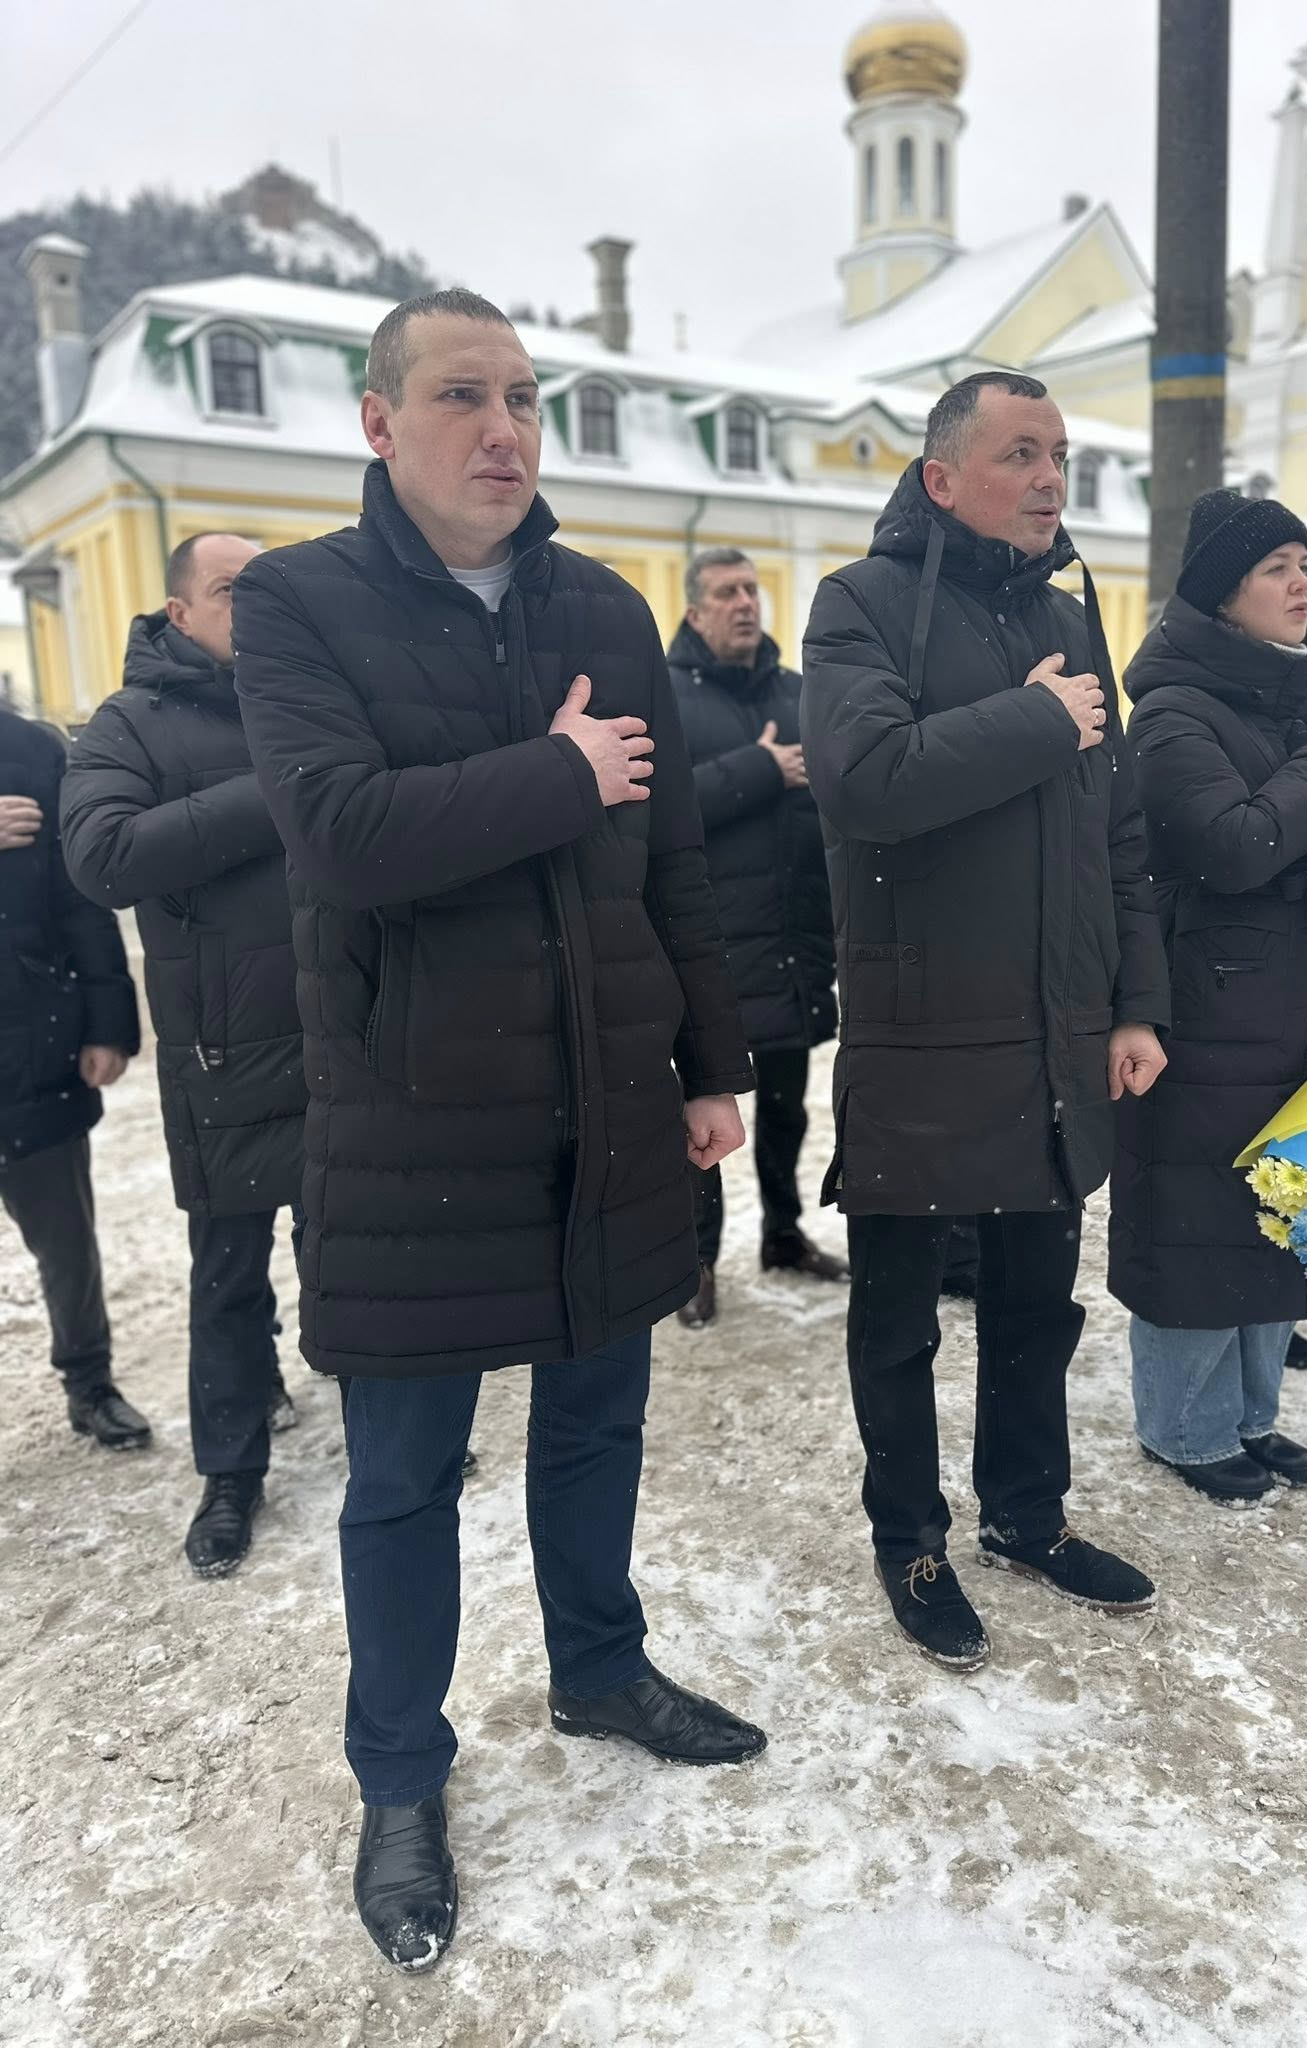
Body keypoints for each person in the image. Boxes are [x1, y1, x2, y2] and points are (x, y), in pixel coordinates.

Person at [231, 288, 766, 1972]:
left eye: (525, 397)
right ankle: (401, 1776)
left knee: (598, 1420)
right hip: (411, 1121)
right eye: (463, 394)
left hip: (605, 1100)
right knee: (402, 1480)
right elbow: (337, 835)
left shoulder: (602, 603)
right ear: (379, 424)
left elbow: (673, 859)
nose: (505, 428)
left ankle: (599, 1667)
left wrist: (709, 1061)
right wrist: (554, 772)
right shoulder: (301, 603)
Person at [801, 370, 1170, 1674]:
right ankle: (910, 1539)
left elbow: (1119, 838)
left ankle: (1027, 1512)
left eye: (1058, 453)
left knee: (1033, 1305)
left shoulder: (1071, 615)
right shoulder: (858, 605)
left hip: (1056, 1032)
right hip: (919, 1032)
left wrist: (1135, 1002)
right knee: (900, 1320)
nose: (1050, 476)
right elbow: (864, 780)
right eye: (1019, 453)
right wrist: (1037, 718)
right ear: (943, 478)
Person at [1111, 489, 1307, 1502]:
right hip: (1207, 1012)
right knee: (1198, 1222)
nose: (1305, 586)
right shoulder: (1171, 711)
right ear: (1222, 595)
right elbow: (1234, 846)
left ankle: (1250, 1416)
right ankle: (1185, 1429)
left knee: (1280, 1218)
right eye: (1276, 569)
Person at [61, 535, 308, 1576]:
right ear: (179, 611)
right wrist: (274, 793)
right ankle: (231, 1474)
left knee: (351, 1252)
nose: (253, 604)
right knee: (229, 1275)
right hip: (223, 1049)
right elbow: (102, 855)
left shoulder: (307, 696)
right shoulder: (129, 721)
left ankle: (388, 1423)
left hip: (336, 1031)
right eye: (230, 589)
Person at [666, 547, 844, 1327]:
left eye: (751, 590)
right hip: (707, 952)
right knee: (702, 1119)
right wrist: (758, 768)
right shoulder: (664, 695)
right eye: (726, 593)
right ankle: (696, 1261)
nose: (744, 603)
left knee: (786, 1111)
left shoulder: (800, 693)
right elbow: (657, 809)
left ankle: (783, 1234)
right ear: (694, 611)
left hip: (791, 943)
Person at [0, 704, 145, 1448]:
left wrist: (107, 1024)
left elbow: (82, 896)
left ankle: (89, 1385)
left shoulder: (31, 749)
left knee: (66, 1243)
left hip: (33, 1042)